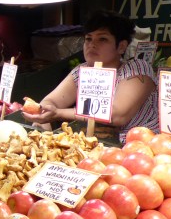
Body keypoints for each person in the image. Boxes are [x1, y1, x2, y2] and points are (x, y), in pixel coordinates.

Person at [23, 10, 158, 143]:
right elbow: (50, 101)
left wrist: (58, 113)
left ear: (121, 47)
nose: (92, 44)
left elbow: (117, 115)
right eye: (88, 38)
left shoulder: (137, 68)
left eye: (102, 39)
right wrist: (43, 117)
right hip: (98, 146)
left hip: (140, 149)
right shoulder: (83, 70)